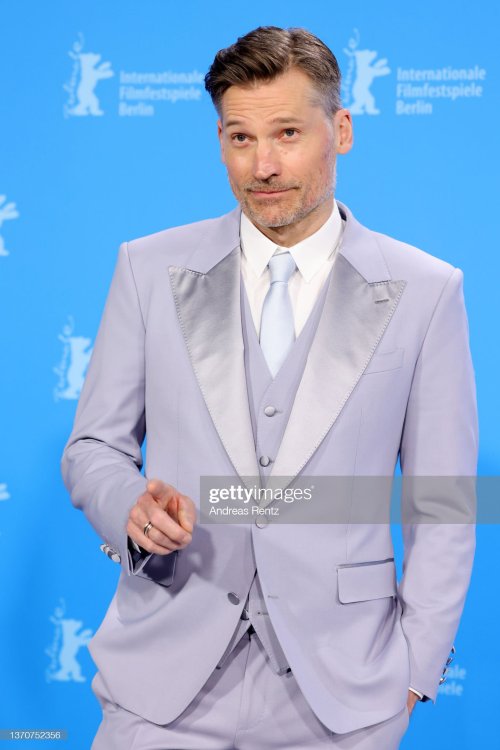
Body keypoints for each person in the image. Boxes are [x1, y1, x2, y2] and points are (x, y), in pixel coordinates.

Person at [61, 25, 478, 750]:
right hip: (162, 682)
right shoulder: (147, 269)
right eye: (240, 138)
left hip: (345, 691)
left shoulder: (426, 290)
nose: (263, 165)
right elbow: (93, 446)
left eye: (287, 132)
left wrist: (416, 665)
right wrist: (130, 507)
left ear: (339, 130)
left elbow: (442, 496)